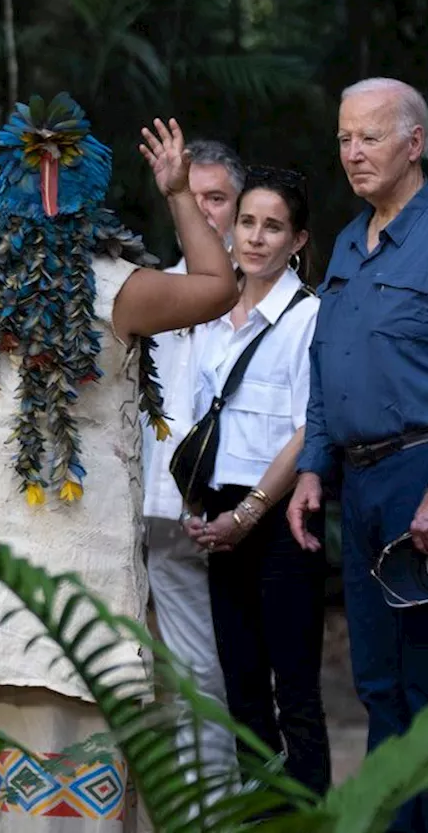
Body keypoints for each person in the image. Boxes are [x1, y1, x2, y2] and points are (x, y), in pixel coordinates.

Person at [0, 97, 238, 832]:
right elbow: (219, 285)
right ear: (91, 202)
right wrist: (180, 194)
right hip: (79, 586)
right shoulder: (116, 289)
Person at [287, 77, 428, 832]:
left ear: (414, 143)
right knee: (377, 682)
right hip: (361, 481)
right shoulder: (350, 240)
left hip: (427, 473)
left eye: (369, 136)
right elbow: (327, 366)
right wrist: (313, 464)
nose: (352, 152)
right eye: (345, 137)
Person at [187, 165, 328, 795]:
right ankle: (260, 811)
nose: (255, 238)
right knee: (239, 685)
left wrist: (249, 512)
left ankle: (309, 815)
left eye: (273, 227)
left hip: (279, 514)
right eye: (247, 222)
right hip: (219, 512)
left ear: (298, 241)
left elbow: (308, 430)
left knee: (294, 688)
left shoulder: (309, 316)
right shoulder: (210, 309)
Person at [140, 139, 244, 787]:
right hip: (160, 513)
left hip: (240, 511)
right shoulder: (153, 290)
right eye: (192, 195)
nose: (205, 213)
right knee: (183, 673)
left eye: (217, 198)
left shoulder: (264, 292)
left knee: (233, 669)